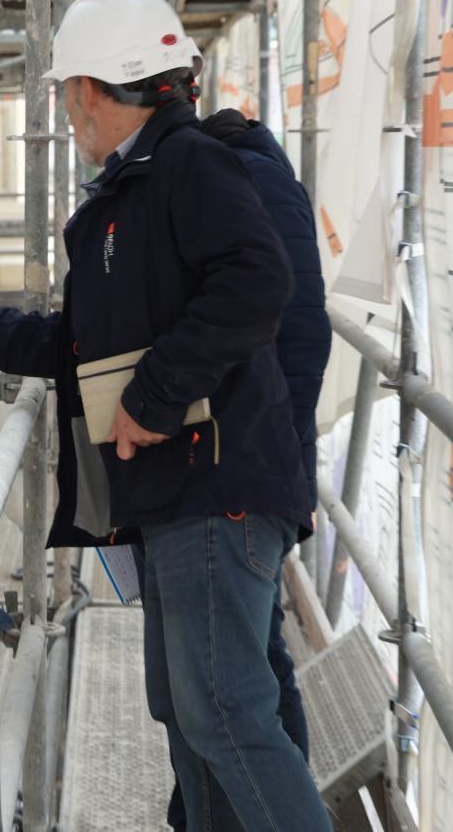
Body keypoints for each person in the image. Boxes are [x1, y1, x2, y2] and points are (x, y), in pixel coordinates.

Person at [0, 0, 329, 832]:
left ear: (87, 90)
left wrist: (156, 397)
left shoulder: (189, 165)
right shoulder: (137, 193)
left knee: (225, 714)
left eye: (66, 94)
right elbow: (79, 347)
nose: (68, 114)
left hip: (214, 488)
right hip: (178, 494)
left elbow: (259, 281)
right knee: (186, 710)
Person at [135, 105, 332, 830]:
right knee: (239, 687)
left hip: (228, 473)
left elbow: (265, 329)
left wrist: (158, 393)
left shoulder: (227, 179)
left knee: (226, 706)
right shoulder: (260, 175)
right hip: (248, 469)